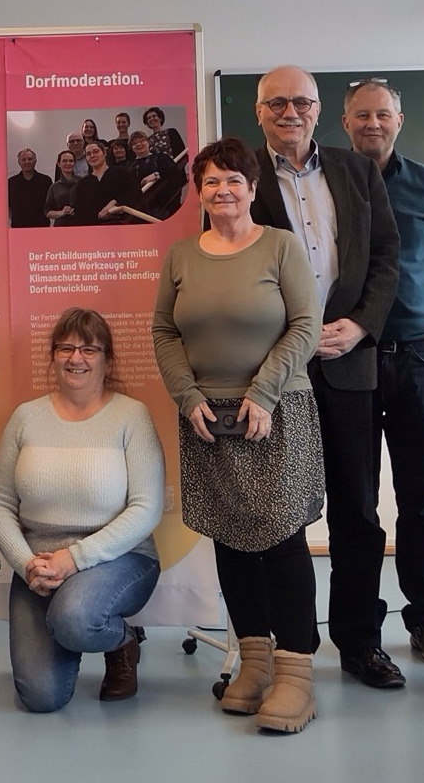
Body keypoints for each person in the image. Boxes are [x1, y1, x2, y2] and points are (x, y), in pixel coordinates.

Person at [153, 137, 324, 733]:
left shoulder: (280, 246)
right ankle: (254, 662)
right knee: (230, 540)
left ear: (253, 188)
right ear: (198, 193)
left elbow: (306, 324)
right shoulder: (180, 256)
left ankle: (296, 674)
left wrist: (264, 392)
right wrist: (188, 397)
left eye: (233, 180)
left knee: (281, 539)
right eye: (210, 181)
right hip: (206, 417)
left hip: (275, 411)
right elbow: (164, 332)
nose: (222, 190)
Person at [250, 65, 402, 689]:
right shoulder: (240, 175)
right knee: (275, 512)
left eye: (302, 102)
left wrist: (362, 325)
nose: (290, 112)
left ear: (318, 110)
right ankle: (287, 646)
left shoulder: (358, 170)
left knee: (357, 512)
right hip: (273, 371)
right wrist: (289, 337)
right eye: (277, 103)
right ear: (259, 111)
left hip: (349, 365)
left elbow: (388, 257)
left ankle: (360, 642)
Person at [0, 308, 164, 713]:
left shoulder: (131, 416)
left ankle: (122, 642)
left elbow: (146, 507)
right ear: (53, 357)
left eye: (89, 349)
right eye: (65, 348)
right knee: (40, 698)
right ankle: (82, 627)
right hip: (39, 564)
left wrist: (75, 558)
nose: (76, 358)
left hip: (119, 557)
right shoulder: (25, 417)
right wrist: (26, 564)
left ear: (107, 360)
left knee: (75, 618)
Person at [341, 79, 424, 663]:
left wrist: (423, 300)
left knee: (421, 496)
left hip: (418, 355)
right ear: (345, 123)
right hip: (349, 358)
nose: (373, 123)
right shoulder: (330, 180)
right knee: (356, 502)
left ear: (399, 120)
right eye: (362, 115)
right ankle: (360, 631)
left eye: (382, 114)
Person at [73, 141, 144, 226]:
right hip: (96, 228)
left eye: (96, 151)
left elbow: (135, 194)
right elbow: (80, 210)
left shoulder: (121, 173)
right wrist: (98, 215)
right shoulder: (83, 183)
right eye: (88, 154)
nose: (92, 156)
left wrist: (115, 202)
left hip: (124, 225)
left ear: (104, 153)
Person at [128, 130, 184, 219]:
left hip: (165, 205)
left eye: (142, 140)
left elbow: (175, 173)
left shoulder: (162, 158)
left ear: (148, 142)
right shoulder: (129, 166)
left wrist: (156, 175)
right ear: (132, 148)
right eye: (134, 143)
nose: (139, 144)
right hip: (142, 208)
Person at [7, 148, 52, 228]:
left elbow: (50, 204)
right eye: (23, 159)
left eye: (30, 159)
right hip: (18, 227)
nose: (27, 162)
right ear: (19, 162)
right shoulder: (11, 182)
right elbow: (7, 206)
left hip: (42, 227)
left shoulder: (46, 181)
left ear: (35, 161)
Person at [44, 150, 80, 226]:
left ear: (74, 163)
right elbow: (47, 212)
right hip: (61, 226)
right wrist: (62, 212)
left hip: (81, 224)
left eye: (71, 161)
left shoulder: (83, 183)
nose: (68, 163)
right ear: (58, 164)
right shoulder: (54, 187)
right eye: (64, 161)